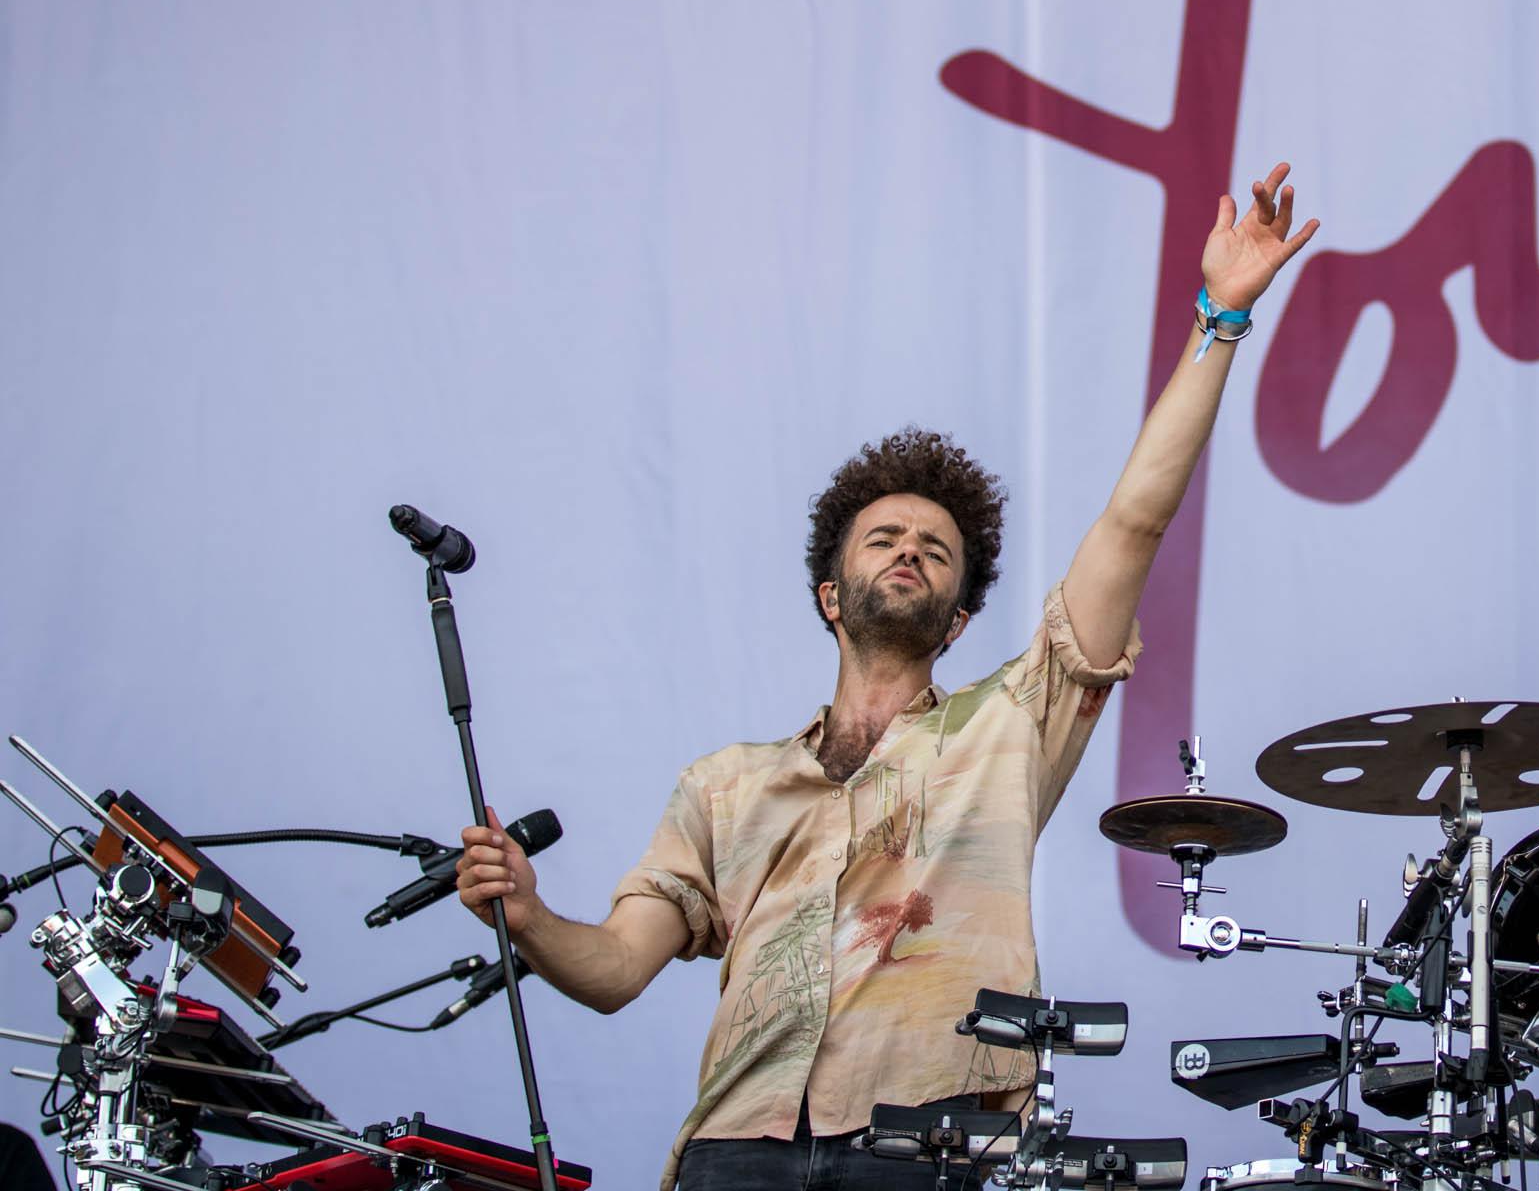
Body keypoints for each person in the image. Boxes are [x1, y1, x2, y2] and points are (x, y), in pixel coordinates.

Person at [455, 165, 1319, 1191]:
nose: (908, 550)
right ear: (833, 593)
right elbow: (614, 970)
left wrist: (1219, 316)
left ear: (957, 619)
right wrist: (530, 916)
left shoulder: (1008, 726)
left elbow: (1135, 518)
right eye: (883, 539)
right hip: (738, 1150)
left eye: (935, 549)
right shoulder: (723, 787)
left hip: (929, 1141)